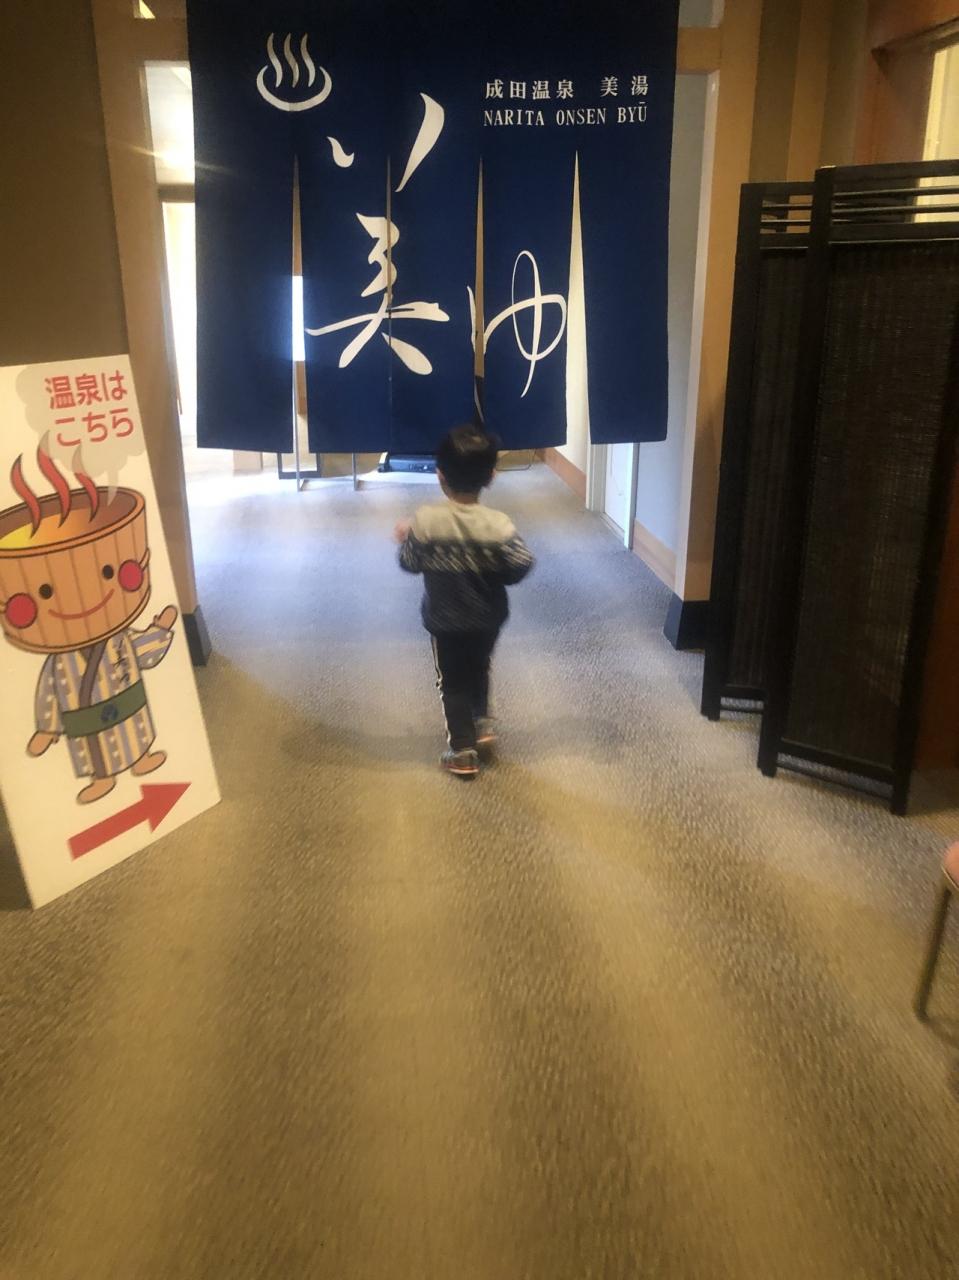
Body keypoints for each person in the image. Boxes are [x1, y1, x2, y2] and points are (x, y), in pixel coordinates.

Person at [395, 424, 534, 778]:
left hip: (444, 621)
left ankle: (462, 752)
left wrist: (407, 538)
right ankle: (482, 724)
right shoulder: (499, 524)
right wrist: (494, 569)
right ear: (491, 476)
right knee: (480, 666)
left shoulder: (425, 521)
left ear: (440, 475)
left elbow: (409, 564)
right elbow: (521, 565)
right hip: (488, 619)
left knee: (453, 682)